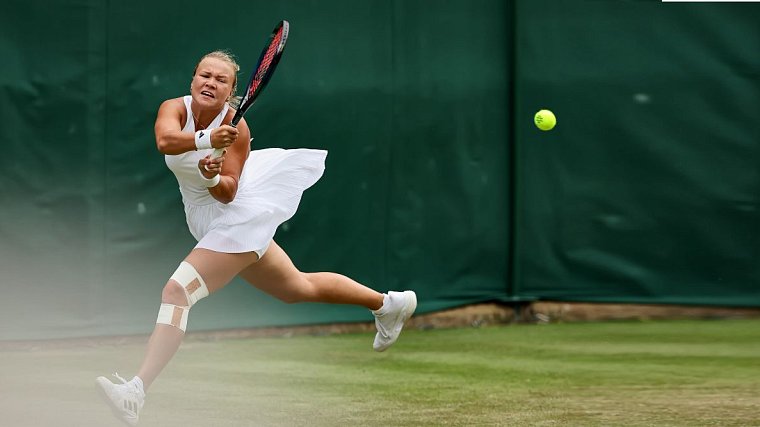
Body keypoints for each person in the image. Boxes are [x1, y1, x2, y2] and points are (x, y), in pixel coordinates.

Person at [95, 50, 417, 426]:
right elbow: (166, 141)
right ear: (193, 80)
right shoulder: (174, 109)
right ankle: (388, 304)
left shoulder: (237, 129)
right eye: (204, 75)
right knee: (296, 287)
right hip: (203, 219)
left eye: (220, 80)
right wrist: (205, 142)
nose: (209, 83)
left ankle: (136, 391)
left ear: (233, 92)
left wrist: (213, 176)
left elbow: (229, 191)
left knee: (176, 292)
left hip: (236, 216)